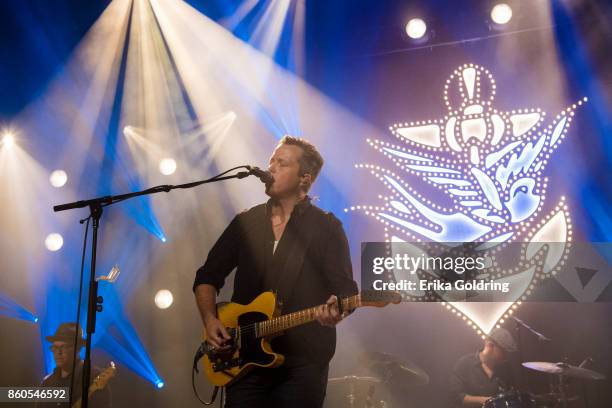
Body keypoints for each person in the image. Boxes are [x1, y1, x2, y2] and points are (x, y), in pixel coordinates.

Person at [193, 136, 359, 408]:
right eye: (271, 160)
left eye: (281, 163)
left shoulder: (326, 228)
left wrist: (336, 310)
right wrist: (210, 320)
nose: (270, 167)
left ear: (304, 178)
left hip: (302, 363)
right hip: (243, 361)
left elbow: (345, 291)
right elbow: (207, 277)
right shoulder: (247, 222)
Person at [39, 323, 111, 407]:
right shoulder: (47, 383)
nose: (58, 352)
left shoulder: (93, 377)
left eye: (64, 347)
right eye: (55, 347)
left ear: (78, 348)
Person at [449, 327, 517, 407]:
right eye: (503, 351)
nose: (506, 356)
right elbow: (455, 396)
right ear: (490, 345)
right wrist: (488, 401)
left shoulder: (505, 368)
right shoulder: (465, 363)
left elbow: (511, 396)